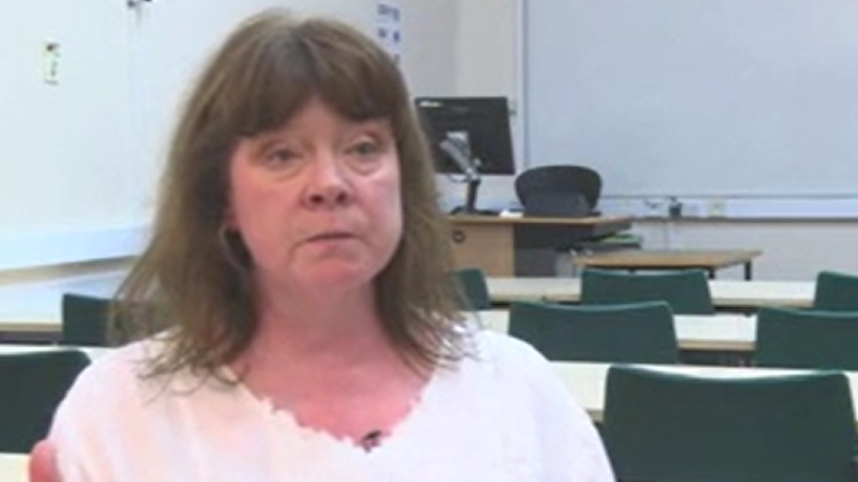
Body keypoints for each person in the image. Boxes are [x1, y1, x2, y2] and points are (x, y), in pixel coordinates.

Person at [30, 8, 614, 481]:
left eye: (362, 148)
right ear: (222, 198)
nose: (330, 185)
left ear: (403, 177)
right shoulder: (121, 412)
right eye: (282, 154)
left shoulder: (516, 392)